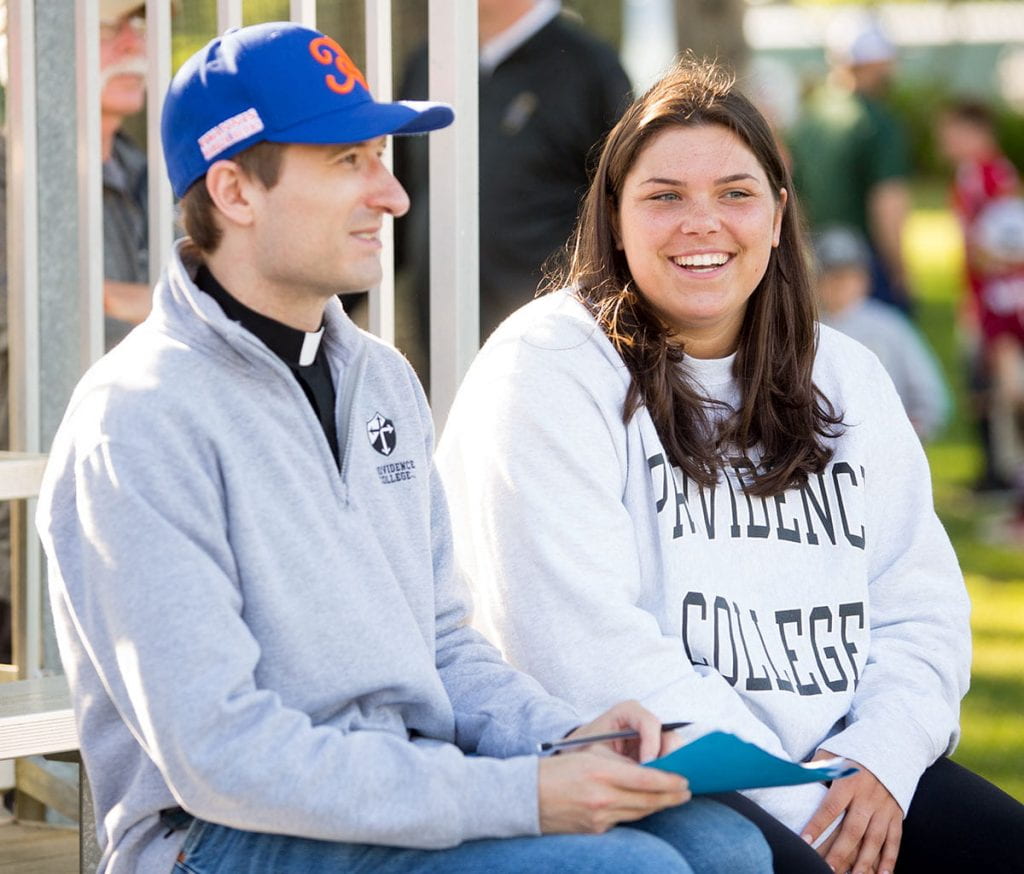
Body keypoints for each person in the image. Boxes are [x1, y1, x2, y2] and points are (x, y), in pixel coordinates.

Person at [35, 23, 773, 874]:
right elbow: (222, 756)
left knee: (726, 845)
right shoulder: (138, 419)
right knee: (630, 871)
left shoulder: (380, 380)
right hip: (218, 836)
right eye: (349, 161)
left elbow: (441, 647)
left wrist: (572, 736)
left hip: (403, 785)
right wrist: (525, 795)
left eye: (384, 157)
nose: (394, 195)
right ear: (235, 190)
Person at [437, 59, 1024, 874]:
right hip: (655, 769)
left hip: (849, 763)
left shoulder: (844, 374)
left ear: (779, 216)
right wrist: (806, 802)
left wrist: (885, 756)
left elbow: (918, 605)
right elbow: (580, 646)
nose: (701, 222)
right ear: (613, 217)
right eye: (665, 195)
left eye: (736, 193)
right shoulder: (547, 368)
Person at [395, 0, 633, 380]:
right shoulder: (429, 63)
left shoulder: (590, 69)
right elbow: (394, 208)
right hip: (442, 363)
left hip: (551, 364)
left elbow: (625, 216)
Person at [789, 12, 913, 314]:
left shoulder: (810, 118)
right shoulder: (878, 122)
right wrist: (899, 271)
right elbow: (888, 203)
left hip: (818, 259)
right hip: (865, 265)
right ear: (875, 63)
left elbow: (795, 199)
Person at [936, 100, 1024, 508]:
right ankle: (993, 470)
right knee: (980, 380)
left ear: (976, 132)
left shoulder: (993, 175)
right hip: (979, 297)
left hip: (1000, 302)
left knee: (997, 384)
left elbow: (1008, 240)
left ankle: (1004, 473)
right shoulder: (969, 175)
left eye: (952, 132)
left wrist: (995, 266)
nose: (945, 141)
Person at [814, 225, 948, 442]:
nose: (839, 284)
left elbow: (930, 397)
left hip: (884, 443)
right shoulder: (804, 328)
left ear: (864, 278)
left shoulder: (891, 327)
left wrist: (906, 437)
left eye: (847, 275)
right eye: (830, 275)